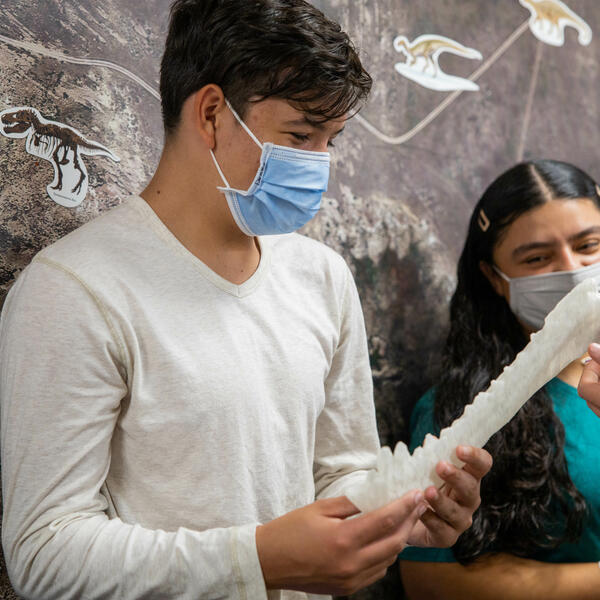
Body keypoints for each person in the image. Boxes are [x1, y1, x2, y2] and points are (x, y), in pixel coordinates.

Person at [0, 1, 491, 598]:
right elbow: (44, 553)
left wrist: (404, 508)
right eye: (301, 136)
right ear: (211, 113)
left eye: (331, 140)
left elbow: (339, 472)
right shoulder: (75, 290)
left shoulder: (323, 277)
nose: (319, 166)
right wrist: (255, 558)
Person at [399, 159, 600, 599]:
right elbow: (431, 579)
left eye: (589, 245)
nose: (572, 270)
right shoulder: (466, 411)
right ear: (494, 277)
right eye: (537, 257)